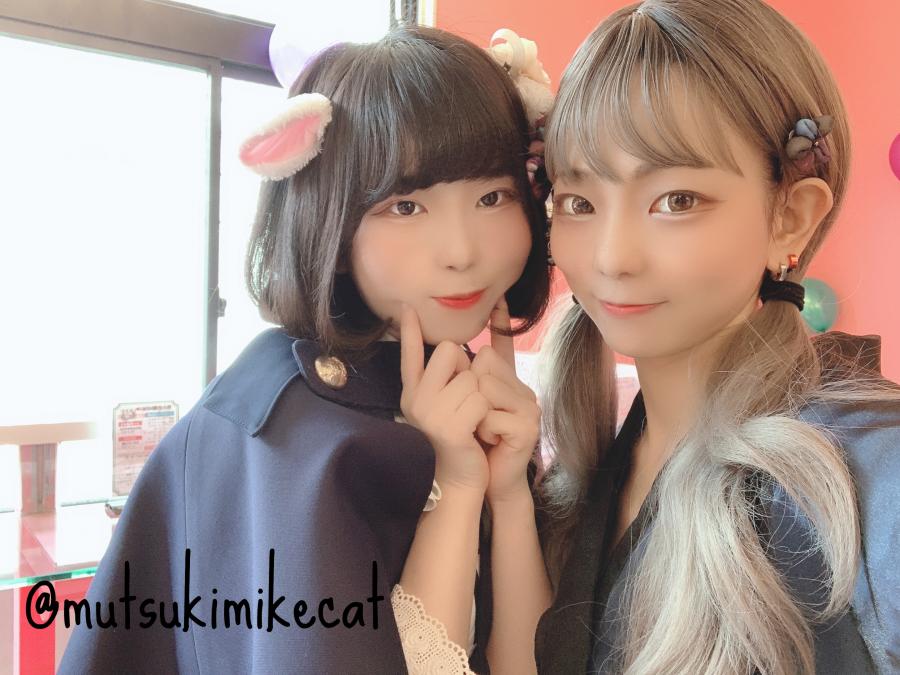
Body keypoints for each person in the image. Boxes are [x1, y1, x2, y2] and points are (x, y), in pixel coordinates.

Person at [59, 24, 553, 674]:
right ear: (329, 223)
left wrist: (508, 492)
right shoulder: (294, 438)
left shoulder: (450, 382)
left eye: (492, 197)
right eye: (406, 207)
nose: (463, 251)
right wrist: (456, 491)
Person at [489, 1, 900, 673]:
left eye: (676, 200)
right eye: (579, 202)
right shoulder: (590, 468)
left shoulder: (868, 470)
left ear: (791, 217)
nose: (613, 257)